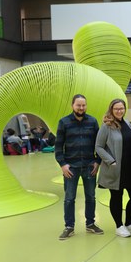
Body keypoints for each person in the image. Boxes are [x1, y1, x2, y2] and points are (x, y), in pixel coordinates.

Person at [55, 94, 103, 240]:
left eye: (83, 105)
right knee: (69, 198)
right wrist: (63, 164)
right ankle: (69, 226)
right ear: (72, 106)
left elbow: (99, 144)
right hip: (71, 168)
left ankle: (90, 224)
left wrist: (97, 161)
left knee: (91, 197)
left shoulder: (93, 122)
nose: (81, 108)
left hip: (89, 166)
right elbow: (58, 147)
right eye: (78, 105)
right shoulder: (64, 122)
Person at [95, 99, 131, 238]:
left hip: (130, 168)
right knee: (116, 197)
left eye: (121, 108)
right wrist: (110, 161)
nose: (119, 111)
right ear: (111, 110)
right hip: (115, 168)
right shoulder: (106, 126)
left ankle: (129, 222)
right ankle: (119, 225)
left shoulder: (126, 123)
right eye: (116, 109)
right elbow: (98, 147)